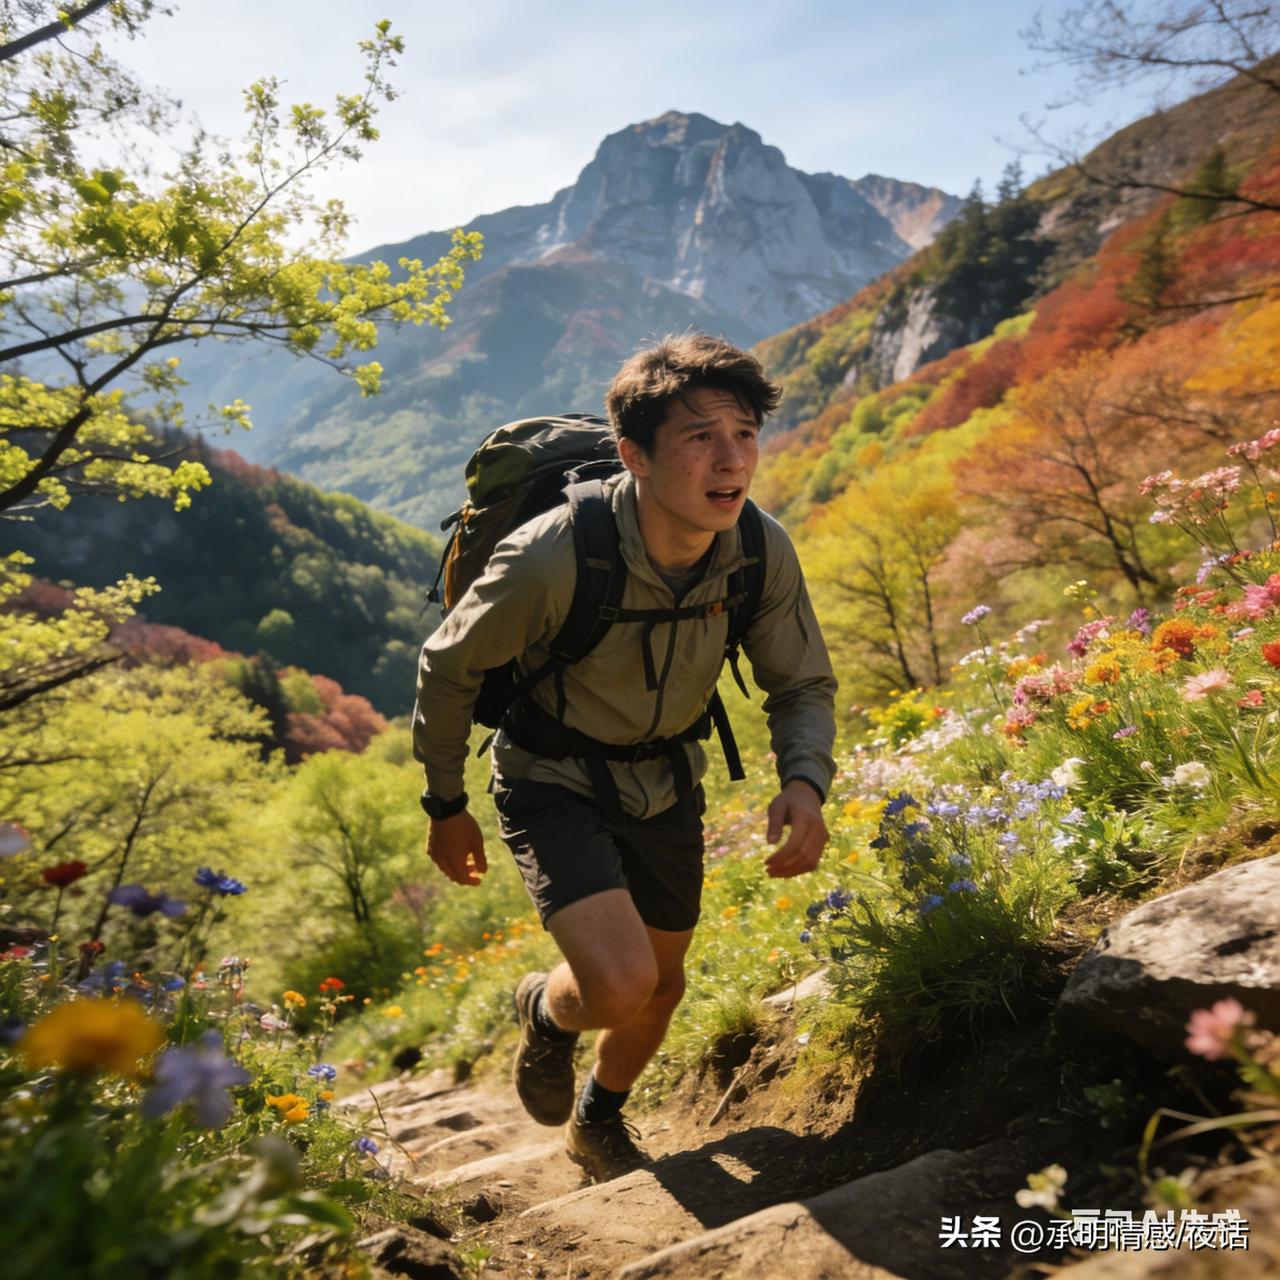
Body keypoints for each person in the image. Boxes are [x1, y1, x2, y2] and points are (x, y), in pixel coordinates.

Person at [413, 333, 837, 1182]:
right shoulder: (555, 555)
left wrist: (803, 781)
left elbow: (802, 683)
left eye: (745, 435)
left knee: (662, 985)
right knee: (616, 985)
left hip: (668, 777)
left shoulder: (759, 549)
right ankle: (546, 1006)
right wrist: (445, 803)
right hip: (551, 776)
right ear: (633, 455)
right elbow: (449, 666)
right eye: (699, 438)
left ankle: (595, 1121)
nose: (731, 462)